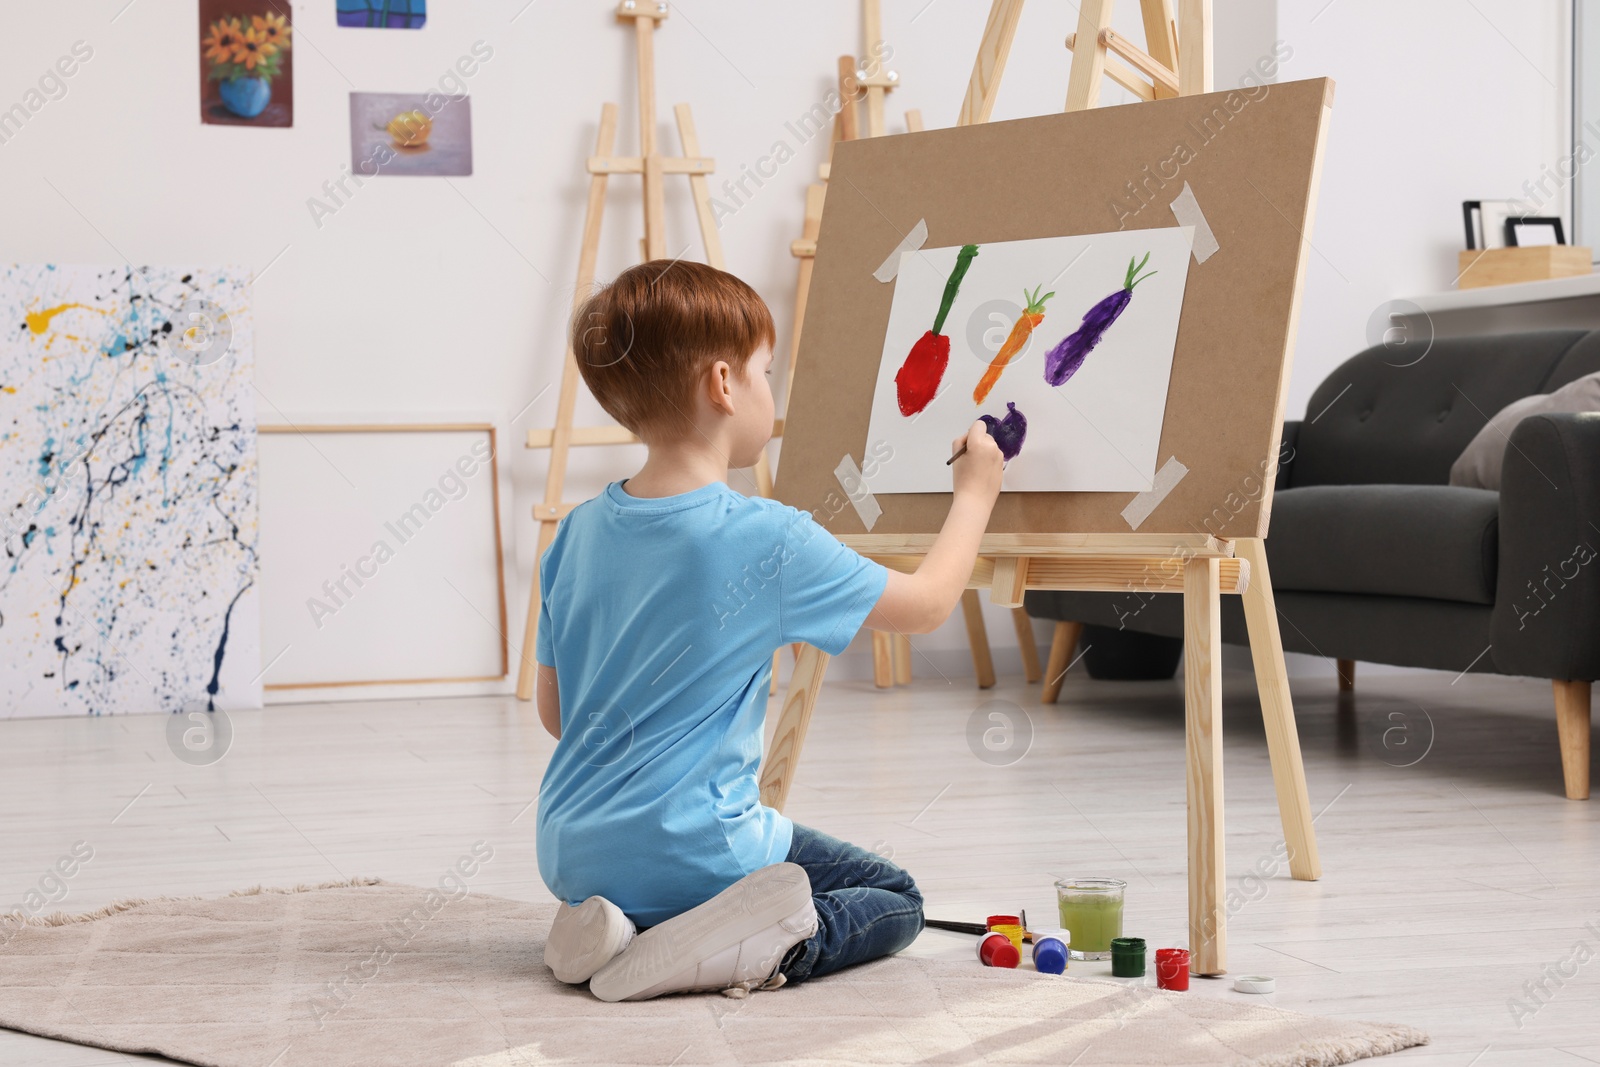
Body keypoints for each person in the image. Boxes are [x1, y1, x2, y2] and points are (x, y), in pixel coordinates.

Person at [533, 259, 1004, 1001]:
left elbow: (557, 715)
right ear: (723, 384)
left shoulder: (575, 533)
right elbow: (926, 605)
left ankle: (614, 929)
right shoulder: (765, 537)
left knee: (728, 853)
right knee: (897, 897)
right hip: (697, 853)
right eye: (766, 371)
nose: (771, 392)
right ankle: (729, 948)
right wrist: (975, 494)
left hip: (569, 851)